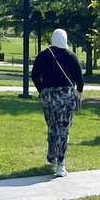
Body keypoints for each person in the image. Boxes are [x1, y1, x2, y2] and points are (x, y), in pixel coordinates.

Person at [31, 28, 84, 177]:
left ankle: (51, 155)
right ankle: (61, 164)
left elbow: (35, 75)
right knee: (64, 129)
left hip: (48, 96)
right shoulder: (71, 57)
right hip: (66, 96)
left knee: (52, 125)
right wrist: (78, 94)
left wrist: (42, 90)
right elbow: (80, 80)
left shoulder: (43, 56)